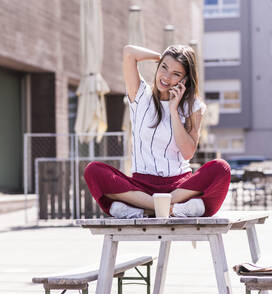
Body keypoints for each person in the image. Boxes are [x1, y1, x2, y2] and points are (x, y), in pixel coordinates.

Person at [84, 44, 231, 218]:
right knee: (93, 170)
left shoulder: (193, 107)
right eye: (164, 67)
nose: (166, 77)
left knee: (222, 168)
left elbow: (187, 153)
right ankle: (167, 209)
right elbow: (129, 52)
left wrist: (174, 111)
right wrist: (160, 56)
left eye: (176, 74)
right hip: (141, 187)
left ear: (185, 80)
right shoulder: (140, 95)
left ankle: (146, 210)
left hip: (179, 187)